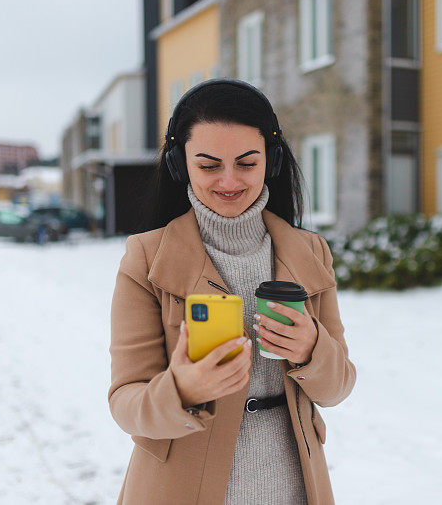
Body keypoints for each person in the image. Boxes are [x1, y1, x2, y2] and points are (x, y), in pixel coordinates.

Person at [108, 78, 356, 504]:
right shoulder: (146, 259)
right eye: (208, 165)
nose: (229, 180)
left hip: (292, 487)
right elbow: (125, 401)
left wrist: (313, 347)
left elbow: (338, 387)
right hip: (179, 488)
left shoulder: (310, 252)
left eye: (247, 163)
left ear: (271, 161)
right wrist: (182, 389)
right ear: (179, 163)